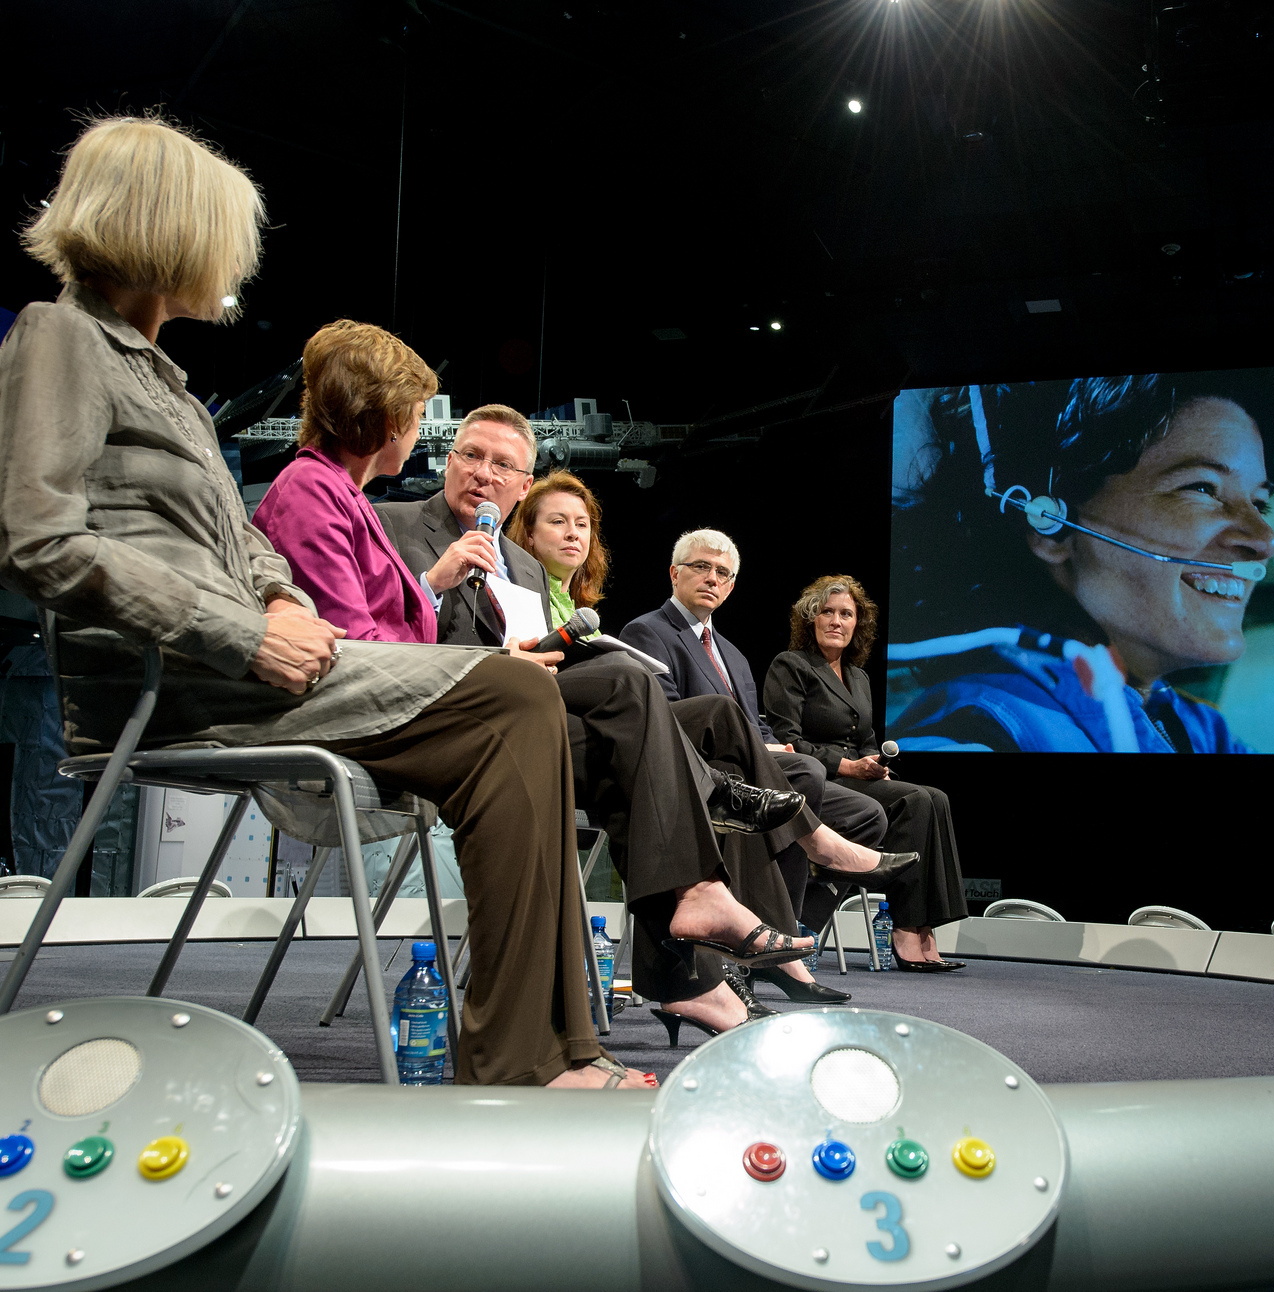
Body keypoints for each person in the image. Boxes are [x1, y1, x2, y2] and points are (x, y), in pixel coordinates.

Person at [0, 116, 756, 1087]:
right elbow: (36, 537)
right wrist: (246, 625)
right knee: (519, 697)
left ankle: (560, 1047)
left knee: (528, 703)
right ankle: (529, 1055)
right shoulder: (62, 340)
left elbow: (242, 545)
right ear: (165, 226)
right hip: (187, 680)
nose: (233, 254)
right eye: (221, 229)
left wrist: (274, 600)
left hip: (244, 659)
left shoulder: (173, 388)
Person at [376, 412, 907, 1034]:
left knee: (700, 731)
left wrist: (536, 662)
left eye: (503, 466)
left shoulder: (517, 565)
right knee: (648, 725)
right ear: (447, 459)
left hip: (537, 720)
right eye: (471, 456)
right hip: (458, 724)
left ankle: (697, 962)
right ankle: (725, 903)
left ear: (520, 484)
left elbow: (534, 658)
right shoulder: (396, 526)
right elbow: (372, 638)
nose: (483, 474)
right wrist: (433, 583)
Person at [887, 376, 1274, 752]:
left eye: (1261, 503)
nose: (1265, 540)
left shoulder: (1198, 730)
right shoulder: (974, 736)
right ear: (1053, 526)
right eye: (1203, 488)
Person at [620, 529, 918, 987]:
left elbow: (757, 730)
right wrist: (771, 751)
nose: (712, 578)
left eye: (723, 573)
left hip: (754, 771)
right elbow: (661, 718)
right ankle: (773, 946)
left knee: (868, 815)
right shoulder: (648, 631)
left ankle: (793, 929)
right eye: (701, 567)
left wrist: (774, 746)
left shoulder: (733, 655)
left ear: (733, 586)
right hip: (698, 776)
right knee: (805, 776)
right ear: (674, 573)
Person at [765, 576, 968, 972]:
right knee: (914, 801)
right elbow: (784, 741)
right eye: (827, 612)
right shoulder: (791, 665)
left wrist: (876, 764)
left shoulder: (858, 677)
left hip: (858, 777)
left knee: (935, 797)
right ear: (811, 619)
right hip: (817, 780)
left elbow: (866, 739)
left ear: (858, 624)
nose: (836, 621)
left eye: (846, 614)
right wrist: (848, 766)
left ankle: (926, 927)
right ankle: (907, 931)